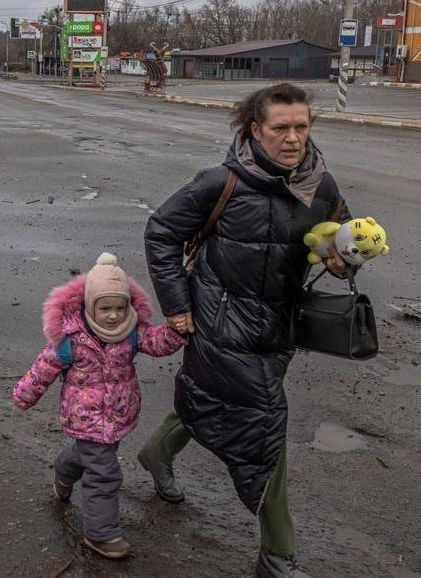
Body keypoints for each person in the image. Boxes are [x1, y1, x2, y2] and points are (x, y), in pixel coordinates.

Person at [139, 83, 350, 578]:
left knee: (215, 401)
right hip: (221, 325)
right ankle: (278, 554)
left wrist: (343, 260)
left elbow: (340, 236)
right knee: (263, 425)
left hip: (280, 329)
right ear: (256, 130)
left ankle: (157, 451)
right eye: (281, 128)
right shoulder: (221, 182)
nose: (293, 138)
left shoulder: (321, 185)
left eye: (301, 127)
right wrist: (176, 306)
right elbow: (161, 232)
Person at [12, 253, 185, 560]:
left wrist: (175, 331)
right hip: (84, 415)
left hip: (118, 412)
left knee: (88, 455)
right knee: (104, 471)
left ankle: (64, 471)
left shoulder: (131, 331)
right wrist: (24, 395)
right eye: (105, 308)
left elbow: (158, 343)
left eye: (120, 307)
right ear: (90, 306)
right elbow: (43, 368)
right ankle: (101, 533)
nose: (113, 316)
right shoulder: (70, 339)